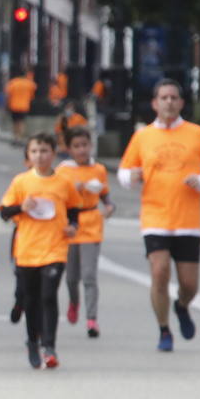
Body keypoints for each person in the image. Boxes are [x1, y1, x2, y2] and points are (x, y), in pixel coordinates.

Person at [117, 80, 200, 350]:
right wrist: (132, 176)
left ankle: (182, 305)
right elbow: (124, 172)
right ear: (154, 103)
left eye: (174, 97)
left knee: (189, 284)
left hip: (188, 220)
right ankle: (164, 330)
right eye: (163, 98)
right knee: (160, 272)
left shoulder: (196, 133)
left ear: (181, 103)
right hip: (155, 217)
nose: (169, 102)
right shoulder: (143, 136)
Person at [0, 133, 81, 369]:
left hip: (55, 248)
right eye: (35, 151)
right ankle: (32, 342)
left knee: (48, 296)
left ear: (53, 153)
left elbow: (75, 208)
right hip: (26, 249)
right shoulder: (21, 181)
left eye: (44, 150)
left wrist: (73, 226)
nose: (40, 155)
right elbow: (4, 212)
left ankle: (49, 346)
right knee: (31, 299)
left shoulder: (63, 182)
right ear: (28, 155)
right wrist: (20, 207)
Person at [59, 126, 114, 338]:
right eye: (76, 146)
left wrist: (109, 206)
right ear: (69, 149)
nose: (81, 150)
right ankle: (74, 301)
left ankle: (92, 319)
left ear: (91, 146)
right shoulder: (64, 170)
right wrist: (76, 186)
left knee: (89, 275)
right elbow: (58, 195)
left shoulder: (98, 169)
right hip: (71, 225)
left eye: (85, 145)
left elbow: (104, 193)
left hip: (91, 224)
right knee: (72, 277)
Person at [5, 70, 37, 141]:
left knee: (15, 122)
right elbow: (32, 95)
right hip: (24, 106)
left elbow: (8, 95)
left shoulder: (13, 82)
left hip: (14, 105)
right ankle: (19, 137)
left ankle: (15, 136)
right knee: (21, 122)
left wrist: (7, 105)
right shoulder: (29, 83)